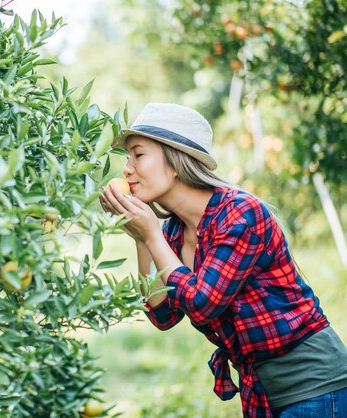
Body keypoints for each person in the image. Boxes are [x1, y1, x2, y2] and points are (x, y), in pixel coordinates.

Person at [99, 103, 347, 418]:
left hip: (316, 387)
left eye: (138, 154)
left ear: (176, 161)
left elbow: (203, 302)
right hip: (263, 392)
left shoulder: (240, 213)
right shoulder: (172, 232)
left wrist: (151, 236)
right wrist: (140, 238)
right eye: (127, 158)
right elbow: (162, 315)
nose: (127, 168)